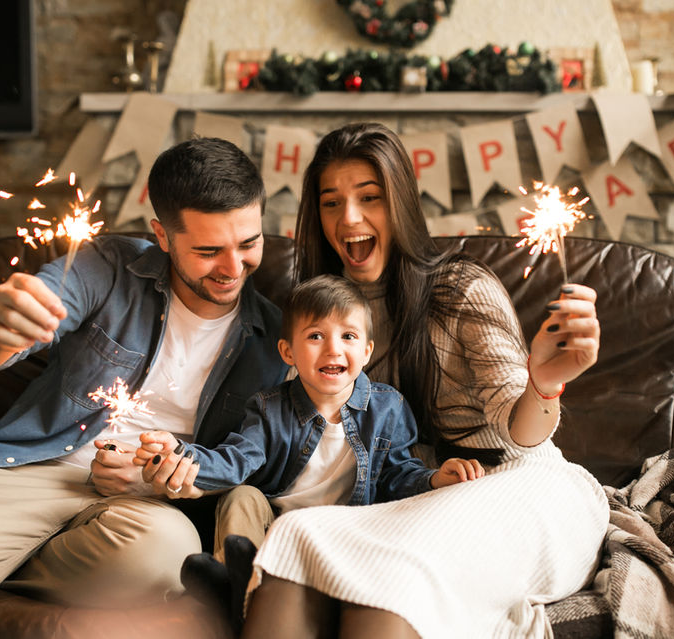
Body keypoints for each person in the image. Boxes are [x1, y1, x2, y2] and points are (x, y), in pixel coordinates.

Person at [0, 137, 289, 639]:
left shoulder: (277, 341)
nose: (233, 268)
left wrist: (162, 480)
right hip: (29, 471)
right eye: (209, 250)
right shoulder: (106, 265)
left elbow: (254, 462)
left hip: (142, 506)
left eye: (249, 244)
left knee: (165, 556)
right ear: (163, 237)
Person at [238, 122, 608, 639]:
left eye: (370, 197)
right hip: (418, 495)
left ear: (402, 203)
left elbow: (517, 430)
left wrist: (542, 384)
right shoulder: (321, 313)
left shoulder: (461, 289)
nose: (349, 219)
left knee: (388, 582)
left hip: (515, 481)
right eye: (330, 203)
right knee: (295, 534)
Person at [135, 274, 483, 557]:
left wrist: (436, 479)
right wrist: (180, 455)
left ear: (366, 352)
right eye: (316, 336)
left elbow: (397, 475)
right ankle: (234, 576)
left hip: (347, 528)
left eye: (348, 336)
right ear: (288, 352)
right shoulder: (269, 407)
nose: (333, 348)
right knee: (241, 496)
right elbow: (236, 461)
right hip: (275, 525)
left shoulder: (387, 407)